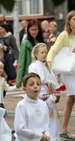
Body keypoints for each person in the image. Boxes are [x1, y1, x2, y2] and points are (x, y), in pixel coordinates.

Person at [47, 10, 75, 140]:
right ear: (69, 21)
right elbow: (54, 49)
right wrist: (48, 60)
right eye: (74, 19)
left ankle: (63, 130)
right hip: (68, 72)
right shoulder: (64, 35)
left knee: (71, 99)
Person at [28, 43, 60, 140]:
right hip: (40, 95)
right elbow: (34, 80)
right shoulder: (33, 66)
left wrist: (56, 91)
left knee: (53, 120)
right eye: (42, 52)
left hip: (50, 95)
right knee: (42, 118)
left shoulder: (48, 66)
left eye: (45, 52)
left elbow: (53, 80)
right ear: (36, 54)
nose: (44, 54)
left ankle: (53, 137)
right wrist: (45, 83)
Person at [14, 72, 50, 141]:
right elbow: (19, 129)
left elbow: (47, 124)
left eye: (38, 84)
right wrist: (39, 136)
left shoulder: (43, 104)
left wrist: (47, 135)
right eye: (31, 84)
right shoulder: (21, 105)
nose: (35, 86)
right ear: (25, 89)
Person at [16, 19, 44, 88]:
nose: (34, 32)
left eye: (36, 29)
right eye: (32, 29)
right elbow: (21, 62)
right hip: (30, 73)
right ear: (28, 30)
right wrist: (19, 80)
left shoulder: (41, 42)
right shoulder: (25, 43)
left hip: (41, 71)